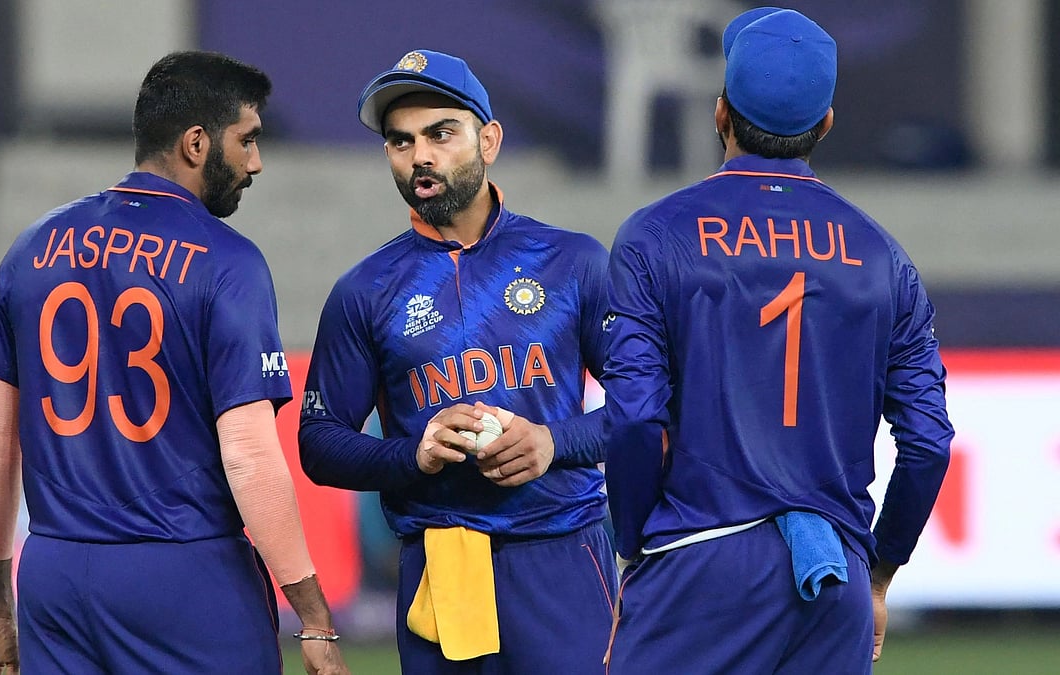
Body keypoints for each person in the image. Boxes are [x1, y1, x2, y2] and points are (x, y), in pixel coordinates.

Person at [0, 51, 349, 675]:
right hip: (183, 574)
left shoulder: (29, 249)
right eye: (246, 140)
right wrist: (314, 613)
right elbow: (247, 454)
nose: (255, 162)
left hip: (54, 574)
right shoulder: (227, 261)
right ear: (197, 143)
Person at [600, 8, 953, 673]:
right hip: (830, 579)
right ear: (825, 125)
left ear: (719, 112)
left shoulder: (654, 235)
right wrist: (877, 573)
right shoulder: (884, 256)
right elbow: (929, 442)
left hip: (693, 560)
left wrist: (633, 544)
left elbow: (638, 418)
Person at [299, 49, 616, 673]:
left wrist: (553, 443)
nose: (421, 155)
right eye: (401, 140)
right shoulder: (365, 290)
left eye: (441, 133)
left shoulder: (574, 262)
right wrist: (411, 455)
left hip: (563, 558)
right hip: (438, 568)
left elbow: (650, 403)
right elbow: (319, 441)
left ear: (488, 139)